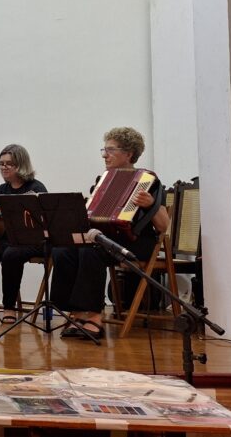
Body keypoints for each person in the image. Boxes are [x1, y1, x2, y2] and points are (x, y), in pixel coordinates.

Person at [50, 127, 169, 339]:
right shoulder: (102, 180)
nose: (105, 155)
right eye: (104, 150)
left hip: (137, 241)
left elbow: (163, 226)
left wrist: (151, 205)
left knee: (91, 252)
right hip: (106, 237)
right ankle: (75, 313)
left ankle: (94, 317)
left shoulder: (147, 180)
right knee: (63, 250)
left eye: (110, 150)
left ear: (129, 154)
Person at [0, 144, 48, 323]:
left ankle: (9, 306)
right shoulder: (2, 189)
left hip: (31, 242)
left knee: (11, 255)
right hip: (7, 241)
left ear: (21, 165)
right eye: (1, 164)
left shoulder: (36, 187)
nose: (3, 167)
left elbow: (43, 218)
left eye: (8, 164)